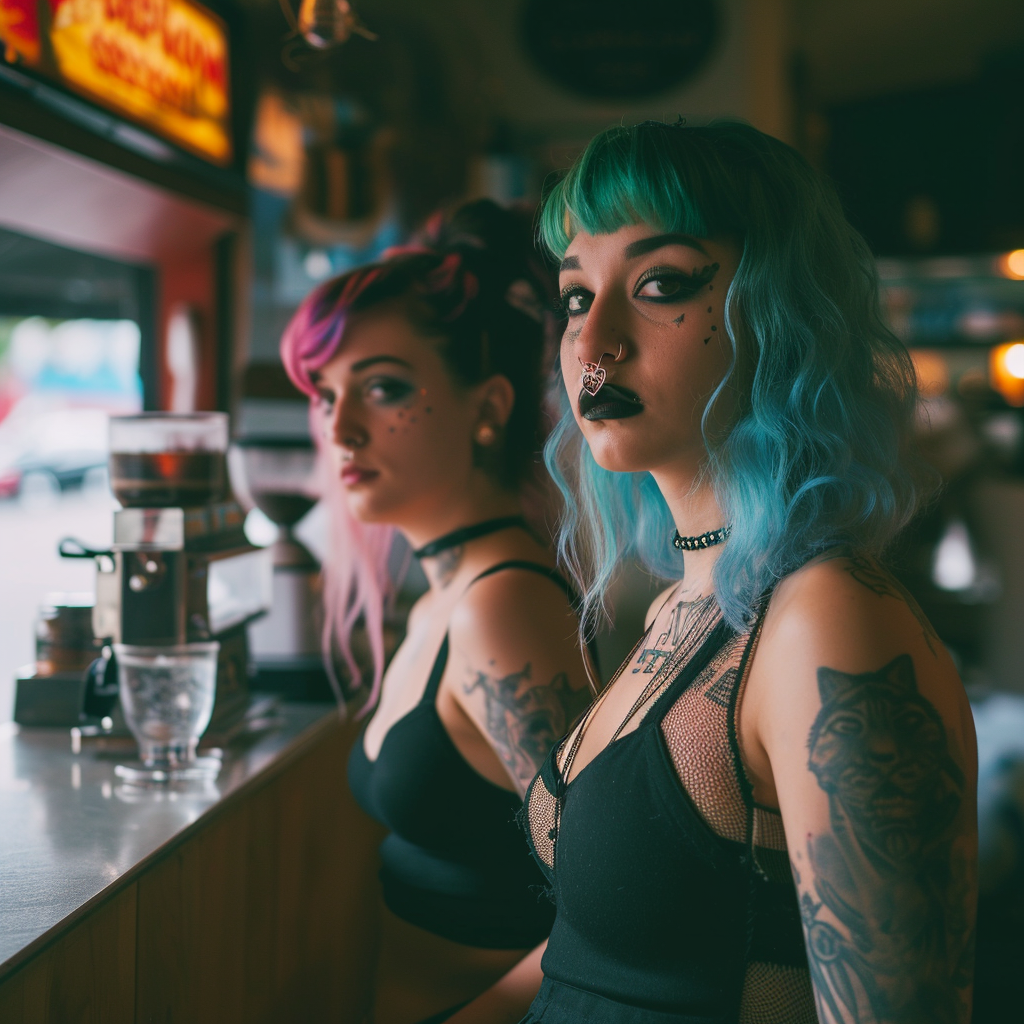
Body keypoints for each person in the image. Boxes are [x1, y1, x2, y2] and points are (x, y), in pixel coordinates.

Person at [447, 122, 979, 1023]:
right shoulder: (686, 599)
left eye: (661, 284)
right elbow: (595, 955)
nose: (595, 341)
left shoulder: (830, 623)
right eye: (576, 296)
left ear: (781, 314)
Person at [280, 200, 592, 1024]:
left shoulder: (503, 608)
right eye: (324, 393)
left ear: (488, 406)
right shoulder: (444, 598)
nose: (340, 428)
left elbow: (616, 907)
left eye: (383, 387)